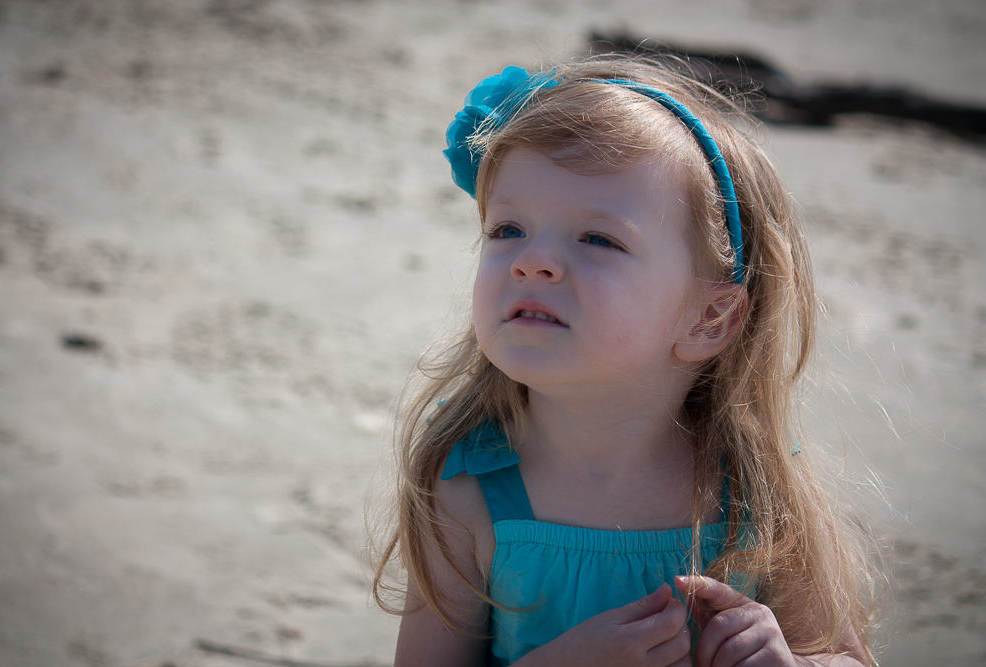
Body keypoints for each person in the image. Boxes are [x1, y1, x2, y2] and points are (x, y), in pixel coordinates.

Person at [371, 56, 881, 666]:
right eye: (508, 229)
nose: (532, 261)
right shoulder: (468, 485)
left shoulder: (754, 479)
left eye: (598, 239)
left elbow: (845, 656)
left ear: (708, 317)